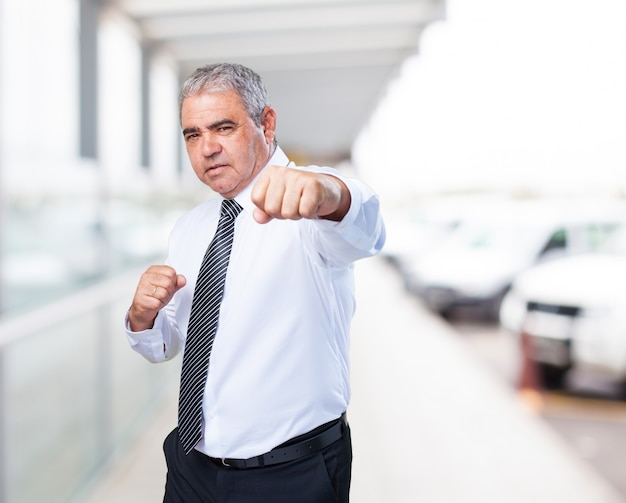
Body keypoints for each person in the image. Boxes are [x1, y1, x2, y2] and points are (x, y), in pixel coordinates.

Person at [125, 62, 385, 503]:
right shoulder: (190, 227)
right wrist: (141, 317)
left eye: (222, 128)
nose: (206, 148)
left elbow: (365, 226)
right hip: (192, 466)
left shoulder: (307, 206)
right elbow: (165, 346)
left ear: (266, 123)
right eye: (192, 134)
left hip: (290, 474)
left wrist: (329, 193)